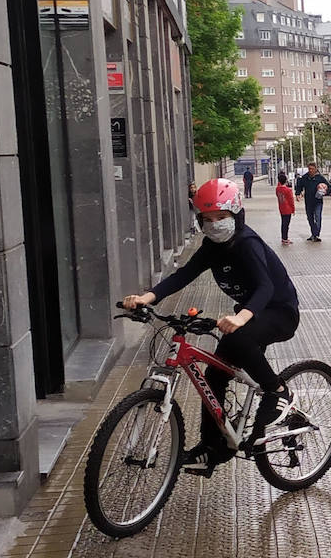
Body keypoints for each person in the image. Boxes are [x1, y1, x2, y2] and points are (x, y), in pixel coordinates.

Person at [121, 178, 301, 473]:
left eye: (222, 217)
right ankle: (212, 447)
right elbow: (183, 275)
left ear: (236, 215)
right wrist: (146, 298)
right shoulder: (211, 247)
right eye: (208, 219)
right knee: (213, 376)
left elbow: (265, 287)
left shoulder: (246, 244)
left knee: (240, 339)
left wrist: (242, 317)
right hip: (247, 316)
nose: (215, 224)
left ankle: (278, 390)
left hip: (278, 313)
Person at [293, 162, 331, 242]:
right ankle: (314, 234)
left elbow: (329, 187)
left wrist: (325, 192)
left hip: (318, 202)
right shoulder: (305, 177)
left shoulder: (320, 178)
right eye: (309, 169)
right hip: (308, 201)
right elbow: (299, 186)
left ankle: (316, 234)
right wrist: (297, 194)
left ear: (315, 169)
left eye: (312, 169)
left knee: (318, 217)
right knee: (310, 218)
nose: (310, 170)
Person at [276, 171, 296, 244]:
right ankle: (285, 238)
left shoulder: (277, 189)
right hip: (288, 209)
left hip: (281, 208)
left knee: (283, 223)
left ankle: (283, 237)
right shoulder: (288, 190)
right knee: (286, 224)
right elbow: (291, 200)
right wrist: (293, 209)